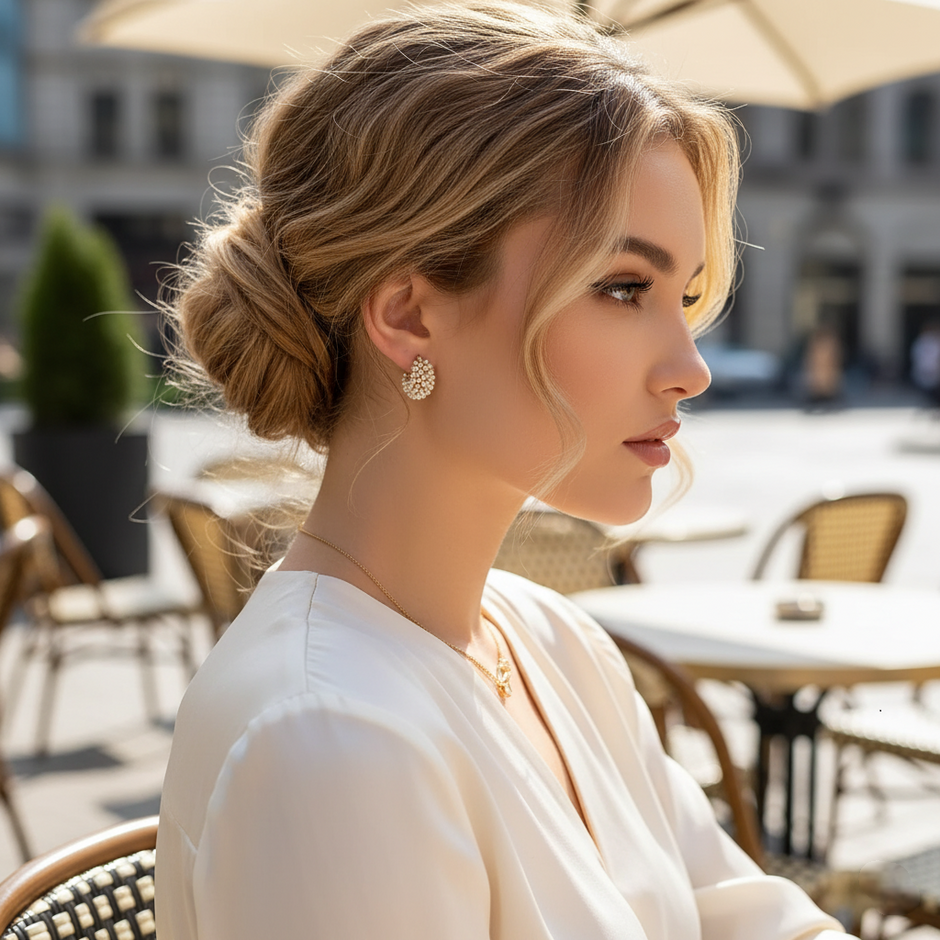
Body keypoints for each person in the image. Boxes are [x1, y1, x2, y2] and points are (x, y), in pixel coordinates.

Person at [156, 4, 856, 938]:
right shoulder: (331, 740)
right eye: (623, 289)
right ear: (408, 314)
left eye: (684, 297)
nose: (692, 366)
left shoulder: (552, 642)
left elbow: (754, 920)